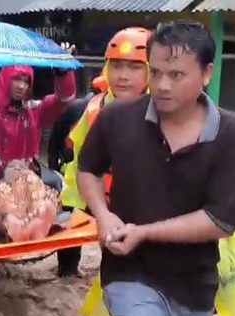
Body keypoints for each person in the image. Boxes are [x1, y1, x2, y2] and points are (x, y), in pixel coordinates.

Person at [76, 21, 235, 316]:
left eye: (176, 75)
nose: (162, 86)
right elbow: (88, 168)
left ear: (207, 74)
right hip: (128, 273)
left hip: (194, 286)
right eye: (155, 73)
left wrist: (144, 231)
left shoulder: (233, 135)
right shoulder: (117, 118)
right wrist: (103, 215)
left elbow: (220, 221)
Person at [54, 27, 153, 278]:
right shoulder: (88, 110)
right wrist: (73, 203)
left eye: (135, 67)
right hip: (91, 192)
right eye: (117, 66)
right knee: (68, 236)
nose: (124, 76)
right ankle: (67, 271)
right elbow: (74, 160)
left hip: (137, 200)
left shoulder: (165, 110)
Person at [0, 59, 77, 180]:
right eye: (16, 79)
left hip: (25, 186)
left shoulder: (34, 110)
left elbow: (64, 100)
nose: (22, 86)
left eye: (26, 81)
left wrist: (64, 71)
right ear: (5, 78)